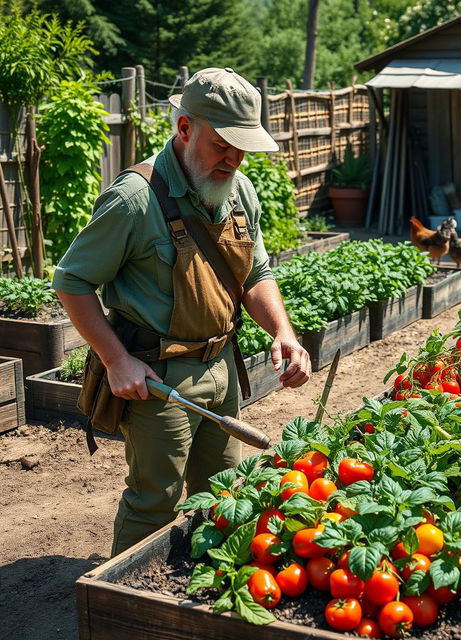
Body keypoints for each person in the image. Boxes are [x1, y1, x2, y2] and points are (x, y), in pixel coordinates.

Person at [53, 67, 311, 556]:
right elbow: (72, 281)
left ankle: (198, 596)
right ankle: (123, 613)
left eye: (242, 148)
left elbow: (255, 273)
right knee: (156, 500)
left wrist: (283, 331)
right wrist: (116, 360)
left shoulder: (239, 191)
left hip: (222, 366)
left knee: (224, 494)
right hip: (159, 378)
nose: (233, 159)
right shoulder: (135, 199)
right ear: (185, 128)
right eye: (222, 145)